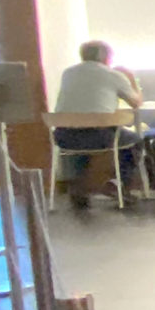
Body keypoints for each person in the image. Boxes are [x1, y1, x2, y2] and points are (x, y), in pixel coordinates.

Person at [51, 39, 143, 210]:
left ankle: (80, 188)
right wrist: (131, 78)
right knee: (134, 141)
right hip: (99, 136)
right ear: (106, 57)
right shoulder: (113, 75)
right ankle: (119, 185)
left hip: (63, 136)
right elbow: (136, 103)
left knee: (82, 143)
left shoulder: (68, 73)